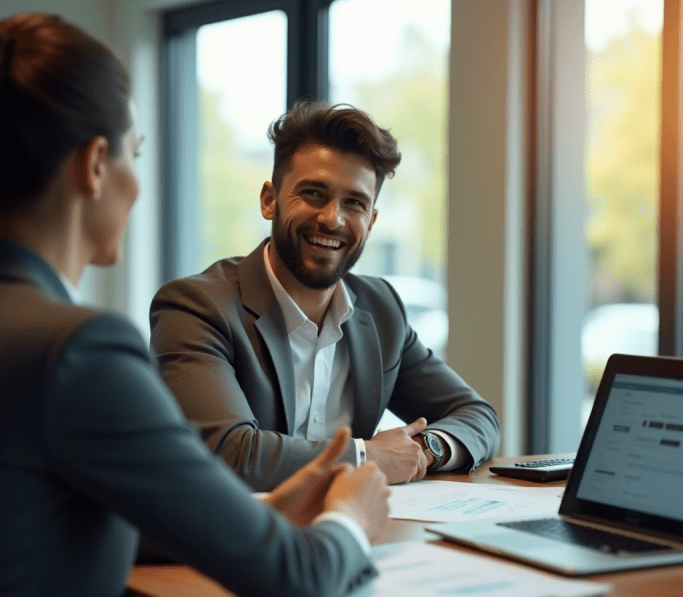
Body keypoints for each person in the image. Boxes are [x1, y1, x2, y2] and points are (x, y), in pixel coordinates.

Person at [0, 13, 389, 597]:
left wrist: (265, 513)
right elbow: (298, 578)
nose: (138, 183)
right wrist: (352, 518)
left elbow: (44, 517)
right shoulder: (79, 352)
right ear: (95, 164)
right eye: (136, 152)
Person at [149, 100, 500, 491]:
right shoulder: (195, 307)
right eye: (314, 193)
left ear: (371, 220)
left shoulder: (382, 310)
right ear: (270, 200)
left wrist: (425, 448)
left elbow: (476, 415)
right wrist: (366, 457)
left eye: (354, 203)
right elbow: (229, 453)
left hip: (354, 531)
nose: (332, 219)